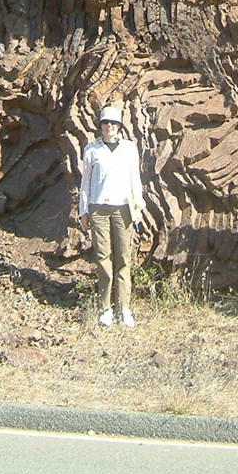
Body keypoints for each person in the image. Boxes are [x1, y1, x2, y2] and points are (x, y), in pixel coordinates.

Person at [79, 106, 144, 328]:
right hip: (98, 209)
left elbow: (135, 179)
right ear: (101, 126)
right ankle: (105, 308)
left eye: (113, 124)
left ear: (119, 127)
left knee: (124, 258)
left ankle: (124, 308)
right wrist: (83, 211)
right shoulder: (92, 149)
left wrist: (138, 208)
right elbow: (85, 184)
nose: (109, 127)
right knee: (103, 258)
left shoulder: (129, 149)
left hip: (124, 208)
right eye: (105, 123)